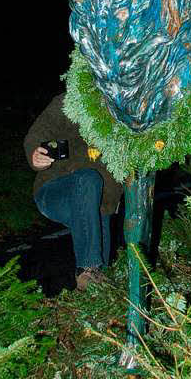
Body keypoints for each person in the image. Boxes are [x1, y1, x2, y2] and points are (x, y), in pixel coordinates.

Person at [24, 94, 123, 289]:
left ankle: (91, 290)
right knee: (88, 179)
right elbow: (37, 134)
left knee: (101, 284)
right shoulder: (71, 100)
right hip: (56, 188)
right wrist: (35, 154)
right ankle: (87, 267)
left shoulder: (126, 111)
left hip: (101, 206)